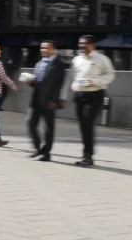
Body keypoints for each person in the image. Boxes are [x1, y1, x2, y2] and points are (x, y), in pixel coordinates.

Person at [69, 35, 115, 166]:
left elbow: (111, 74)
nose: (81, 46)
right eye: (80, 44)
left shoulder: (101, 59)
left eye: (84, 44)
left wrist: (95, 82)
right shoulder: (76, 59)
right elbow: (72, 77)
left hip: (95, 95)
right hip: (79, 96)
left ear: (93, 45)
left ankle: (88, 156)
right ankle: (86, 155)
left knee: (87, 123)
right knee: (83, 125)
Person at [26, 40, 66, 161]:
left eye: (46, 48)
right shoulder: (38, 64)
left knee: (48, 128)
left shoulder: (59, 64)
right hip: (36, 99)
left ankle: (46, 153)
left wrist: (55, 100)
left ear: (54, 49)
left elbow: (59, 84)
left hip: (50, 100)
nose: (43, 50)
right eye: (42, 48)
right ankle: (37, 148)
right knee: (30, 122)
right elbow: (38, 82)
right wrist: (31, 82)